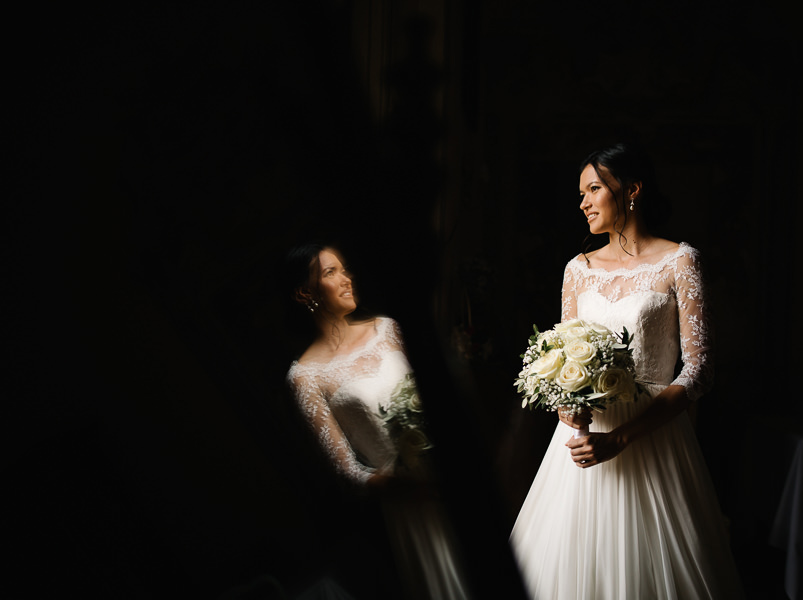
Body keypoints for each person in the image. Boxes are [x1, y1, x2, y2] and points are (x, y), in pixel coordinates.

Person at [509, 143, 744, 599]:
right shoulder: (577, 270)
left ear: (631, 190)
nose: (583, 202)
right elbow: (560, 359)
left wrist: (620, 437)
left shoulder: (680, 260)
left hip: (654, 439)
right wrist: (567, 409)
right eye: (581, 192)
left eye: (594, 188)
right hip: (580, 446)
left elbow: (699, 370)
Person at [284, 243, 470, 600]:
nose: (346, 279)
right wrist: (411, 487)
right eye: (330, 272)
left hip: (456, 473)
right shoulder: (305, 376)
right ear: (304, 293)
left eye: (344, 269)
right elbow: (347, 472)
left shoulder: (387, 329)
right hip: (413, 506)